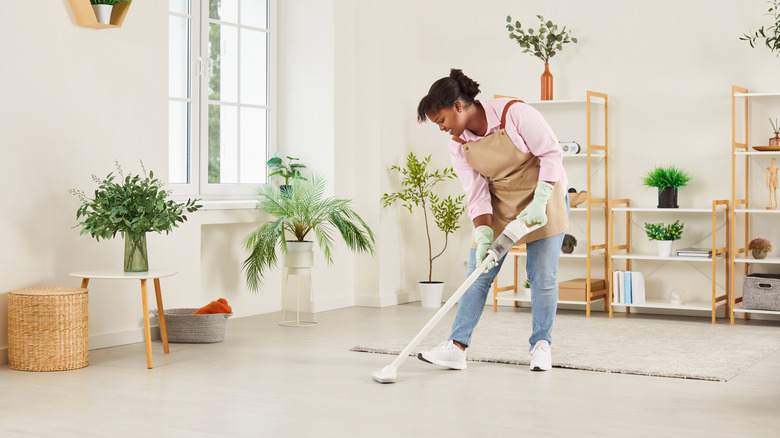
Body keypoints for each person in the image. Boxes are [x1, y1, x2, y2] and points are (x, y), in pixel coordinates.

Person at [415, 69, 570, 372]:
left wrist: (539, 201)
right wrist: (484, 231)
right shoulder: (458, 144)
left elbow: (552, 153)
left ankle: (541, 346)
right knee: (478, 273)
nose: (442, 128)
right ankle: (456, 348)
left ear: (458, 106)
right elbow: (476, 192)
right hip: (499, 201)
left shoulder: (515, 114)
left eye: (441, 120)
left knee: (542, 275)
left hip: (544, 192)